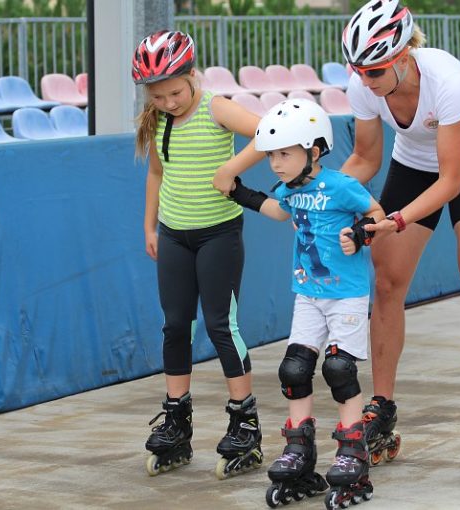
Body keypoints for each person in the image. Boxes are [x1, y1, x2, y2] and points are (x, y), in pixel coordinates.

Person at [339, 0, 460, 473]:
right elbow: (366, 160)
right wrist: (321, 194)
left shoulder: (447, 79)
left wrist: (397, 219)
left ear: (404, 55)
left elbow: (450, 181)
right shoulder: (363, 85)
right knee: (386, 282)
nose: (365, 81)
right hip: (413, 161)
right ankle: (380, 408)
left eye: (375, 71)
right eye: (359, 71)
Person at [227, 98, 384, 507]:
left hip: (346, 293)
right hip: (308, 296)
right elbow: (278, 212)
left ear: (313, 152)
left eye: (284, 153)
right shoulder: (289, 190)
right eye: (272, 155)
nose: (275, 163)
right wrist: (239, 191)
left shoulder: (341, 185)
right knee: (294, 369)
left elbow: (377, 213)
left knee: (338, 368)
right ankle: (300, 450)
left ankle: (353, 454)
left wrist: (361, 233)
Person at [132, 30, 266, 480]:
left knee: (220, 325)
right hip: (173, 234)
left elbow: (267, 133)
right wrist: (150, 226)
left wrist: (232, 167)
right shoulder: (157, 118)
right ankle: (176, 421)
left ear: (193, 76)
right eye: (158, 96)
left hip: (218, 235)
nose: (168, 102)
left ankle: (244, 422)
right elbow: (156, 171)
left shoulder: (216, 108)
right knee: (175, 325)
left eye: (174, 92)